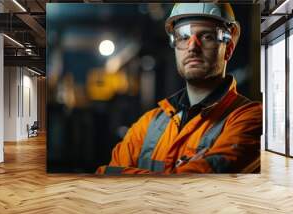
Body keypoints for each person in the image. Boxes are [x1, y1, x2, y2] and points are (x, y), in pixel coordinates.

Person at [96, 3, 262, 174]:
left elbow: (187, 186)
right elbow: (105, 179)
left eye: (206, 36)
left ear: (228, 48)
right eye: (183, 37)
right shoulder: (147, 124)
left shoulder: (251, 119)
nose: (192, 47)